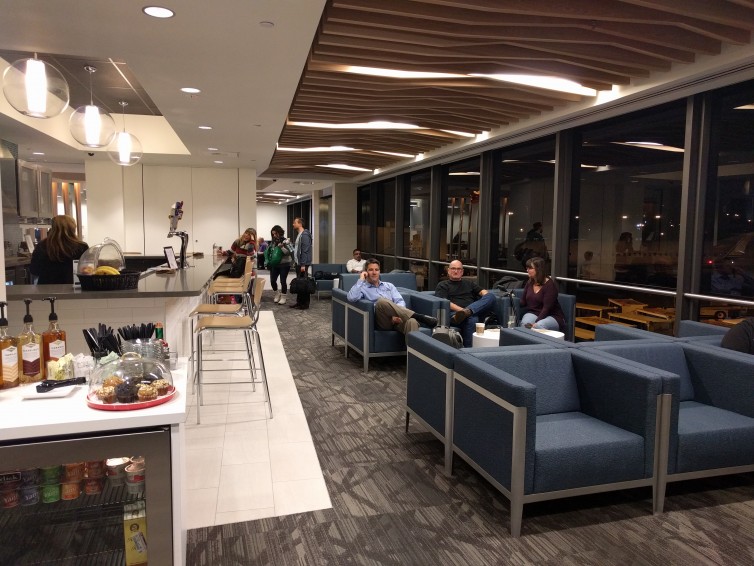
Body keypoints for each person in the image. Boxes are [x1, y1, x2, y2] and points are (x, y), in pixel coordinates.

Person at [347, 258, 437, 335]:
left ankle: (412, 354)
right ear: (365, 272)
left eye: (376, 270)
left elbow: (400, 301)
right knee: (381, 301)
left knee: (412, 322)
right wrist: (361, 279)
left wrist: (396, 316)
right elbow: (351, 297)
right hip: (382, 321)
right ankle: (419, 317)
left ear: (379, 271)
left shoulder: (389, 286)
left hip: (397, 319)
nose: (374, 272)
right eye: (371, 270)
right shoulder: (362, 288)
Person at [434, 260, 497, 347]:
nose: (456, 271)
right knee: (472, 319)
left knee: (491, 296)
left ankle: (469, 311)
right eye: (453, 269)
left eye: (459, 269)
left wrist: (485, 296)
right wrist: (462, 311)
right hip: (455, 315)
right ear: (448, 271)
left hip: (472, 312)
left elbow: (483, 292)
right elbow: (445, 303)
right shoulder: (442, 285)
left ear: (462, 271)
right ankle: (468, 350)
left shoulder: (469, 283)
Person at [30, 215, 88, 284]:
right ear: (72, 228)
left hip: (46, 288)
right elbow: (86, 271)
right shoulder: (82, 247)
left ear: (53, 228)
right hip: (72, 287)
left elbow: (34, 270)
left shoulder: (42, 245)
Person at [519, 256, 566, 332]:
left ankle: (545, 344)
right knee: (525, 324)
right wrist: (511, 299)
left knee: (539, 326)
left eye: (530, 268)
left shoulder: (550, 285)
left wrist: (536, 322)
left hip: (552, 316)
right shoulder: (530, 282)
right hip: (534, 313)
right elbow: (523, 302)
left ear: (538, 269)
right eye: (527, 268)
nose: (527, 270)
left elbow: (546, 309)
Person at [268, 225, 294, 305]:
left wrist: (282, 247)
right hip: (274, 264)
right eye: (273, 234)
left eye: (276, 234)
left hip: (284, 264)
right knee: (272, 281)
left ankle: (283, 297)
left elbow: (290, 251)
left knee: (283, 281)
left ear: (280, 232)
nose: (274, 236)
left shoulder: (286, 241)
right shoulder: (273, 242)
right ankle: (277, 293)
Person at [291, 217, 313, 310]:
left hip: (302, 264)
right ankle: (299, 302)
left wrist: (303, 264)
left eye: (294, 223)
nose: (293, 224)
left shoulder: (304, 235)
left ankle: (304, 304)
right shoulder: (300, 234)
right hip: (299, 263)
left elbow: (305, 250)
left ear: (300, 224)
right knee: (300, 283)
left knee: (304, 284)